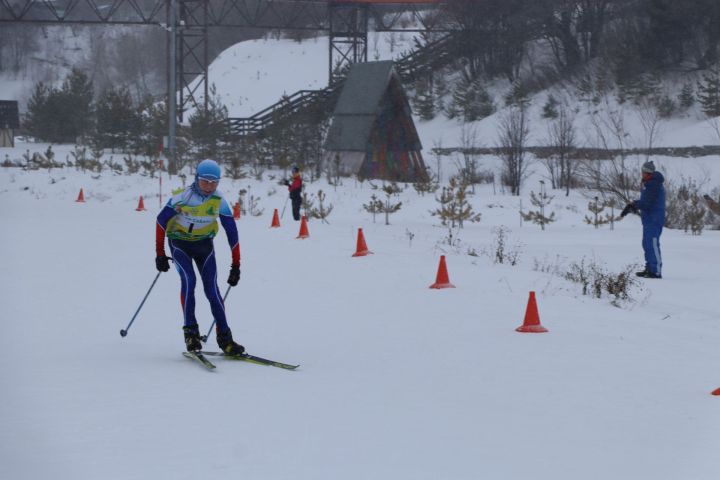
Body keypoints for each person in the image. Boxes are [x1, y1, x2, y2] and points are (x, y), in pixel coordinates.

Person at [155, 159, 245, 354]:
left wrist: (236, 264)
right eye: (205, 181)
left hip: (204, 246)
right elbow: (161, 221)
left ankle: (226, 339)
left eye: (214, 183)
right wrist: (160, 254)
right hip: (180, 244)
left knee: (212, 289)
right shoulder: (182, 197)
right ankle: (191, 334)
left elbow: (232, 233)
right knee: (189, 281)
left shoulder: (219, 201)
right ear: (196, 179)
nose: (209, 187)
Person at [620, 160, 666, 279]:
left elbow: (647, 203)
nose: (642, 174)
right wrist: (634, 205)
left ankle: (656, 271)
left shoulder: (653, 184)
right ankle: (649, 268)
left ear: (647, 172)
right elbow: (646, 202)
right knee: (646, 244)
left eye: (643, 172)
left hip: (654, 219)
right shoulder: (649, 183)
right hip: (648, 219)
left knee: (652, 244)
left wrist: (634, 205)